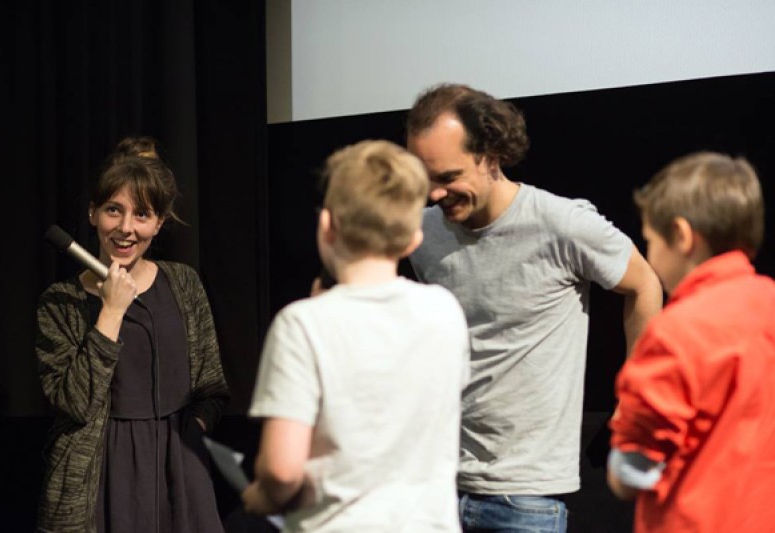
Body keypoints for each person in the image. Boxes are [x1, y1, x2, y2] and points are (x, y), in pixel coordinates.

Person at [405, 83, 663, 531]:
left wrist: (636, 393)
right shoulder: (422, 236)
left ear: (490, 155)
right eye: (424, 179)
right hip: (437, 487)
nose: (434, 195)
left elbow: (644, 285)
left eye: (448, 177)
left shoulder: (560, 223)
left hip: (525, 498)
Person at [241, 140, 471, 532]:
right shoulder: (445, 311)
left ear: (327, 224)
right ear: (413, 238)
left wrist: (259, 497)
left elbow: (281, 469)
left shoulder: (302, 325)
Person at [35, 136, 230, 533]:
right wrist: (111, 310)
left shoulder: (184, 283)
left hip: (179, 471)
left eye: (141, 215)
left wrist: (190, 439)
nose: (126, 228)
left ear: (159, 223)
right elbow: (74, 402)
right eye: (113, 210)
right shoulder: (60, 302)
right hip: (103, 472)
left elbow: (212, 389)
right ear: (92, 214)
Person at [607, 152, 775, 532]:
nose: (650, 254)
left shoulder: (675, 331)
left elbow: (633, 469)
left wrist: (620, 463)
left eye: (650, 240)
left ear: (681, 236)